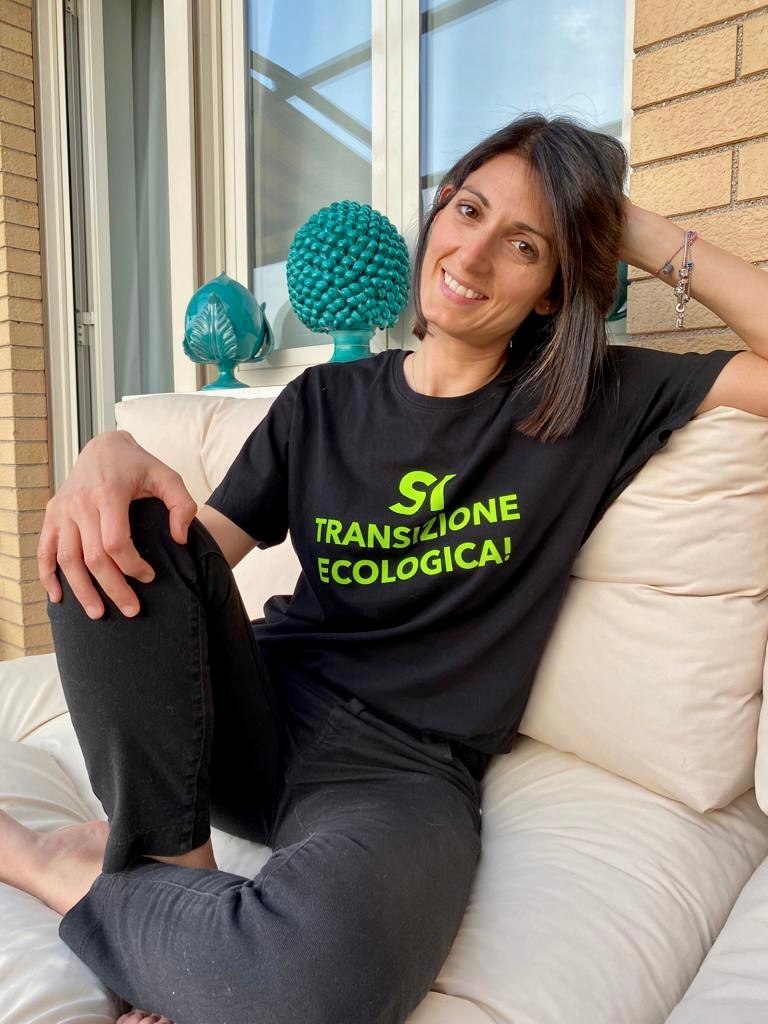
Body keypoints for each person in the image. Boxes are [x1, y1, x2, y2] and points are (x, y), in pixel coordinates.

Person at [2, 111, 765, 1024]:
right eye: (469, 210)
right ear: (439, 212)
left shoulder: (588, 403)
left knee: (317, 988)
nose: (473, 256)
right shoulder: (321, 401)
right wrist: (107, 456)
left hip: (403, 773)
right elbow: (181, 563)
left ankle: (65, 870)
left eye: (524, 245)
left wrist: (624, 224)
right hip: (249, 721)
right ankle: (173, 869)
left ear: (553, 291)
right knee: (110, 526)